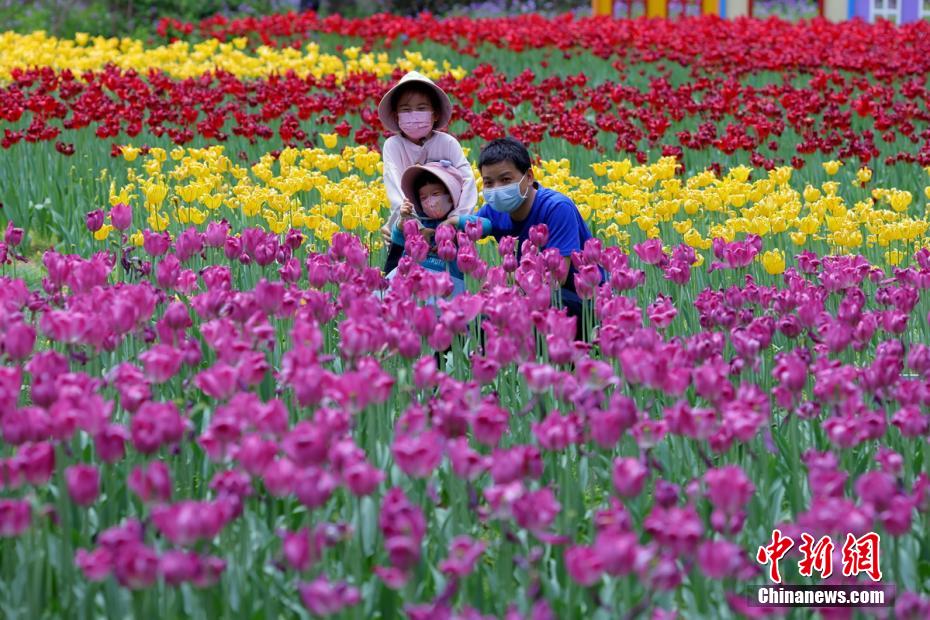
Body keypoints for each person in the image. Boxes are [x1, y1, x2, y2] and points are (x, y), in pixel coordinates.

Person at [449, 137, 604, 340]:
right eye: (488, 182)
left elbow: (558, 278)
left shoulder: (557, 208)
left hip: (579, 302)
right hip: (529, 298)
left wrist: (502, 285)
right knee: (471, 318)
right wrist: (448, 226)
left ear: (529, 176)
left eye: (505, 180)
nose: (496, 189)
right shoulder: (493, 210)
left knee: (518, 311)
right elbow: (470, 229)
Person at [378, 71, 477, 274]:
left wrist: (457, 219)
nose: (413, 115)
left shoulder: (447, 143)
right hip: (408, 223)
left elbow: (468, 179)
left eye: (421, 109)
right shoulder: (393, 145)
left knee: (450, 277)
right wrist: (414, 226)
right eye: (406, 110)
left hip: (448, 223)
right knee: (398, 276)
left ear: (435, 114)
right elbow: (394, 185)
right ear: (397, 116)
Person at [387, 161, 472, 297]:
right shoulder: (418, 221)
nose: (430, 201)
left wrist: (452, 222)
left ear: (451, 197)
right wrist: (403, 220)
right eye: (423, 197)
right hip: (412, 284)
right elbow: (397, 238)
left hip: (447, 288)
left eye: (436, 194)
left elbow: (485, 226)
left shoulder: (458, 225)